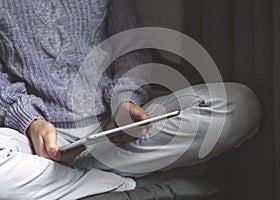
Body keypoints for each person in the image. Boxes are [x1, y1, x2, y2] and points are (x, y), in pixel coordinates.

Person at [0, 0, 261, 199]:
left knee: (240, 104)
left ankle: (67, 180)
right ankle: (119, 184)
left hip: (113, 130)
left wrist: (125, 102)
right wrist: (29, 121)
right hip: (36, 141)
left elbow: (131, 48)